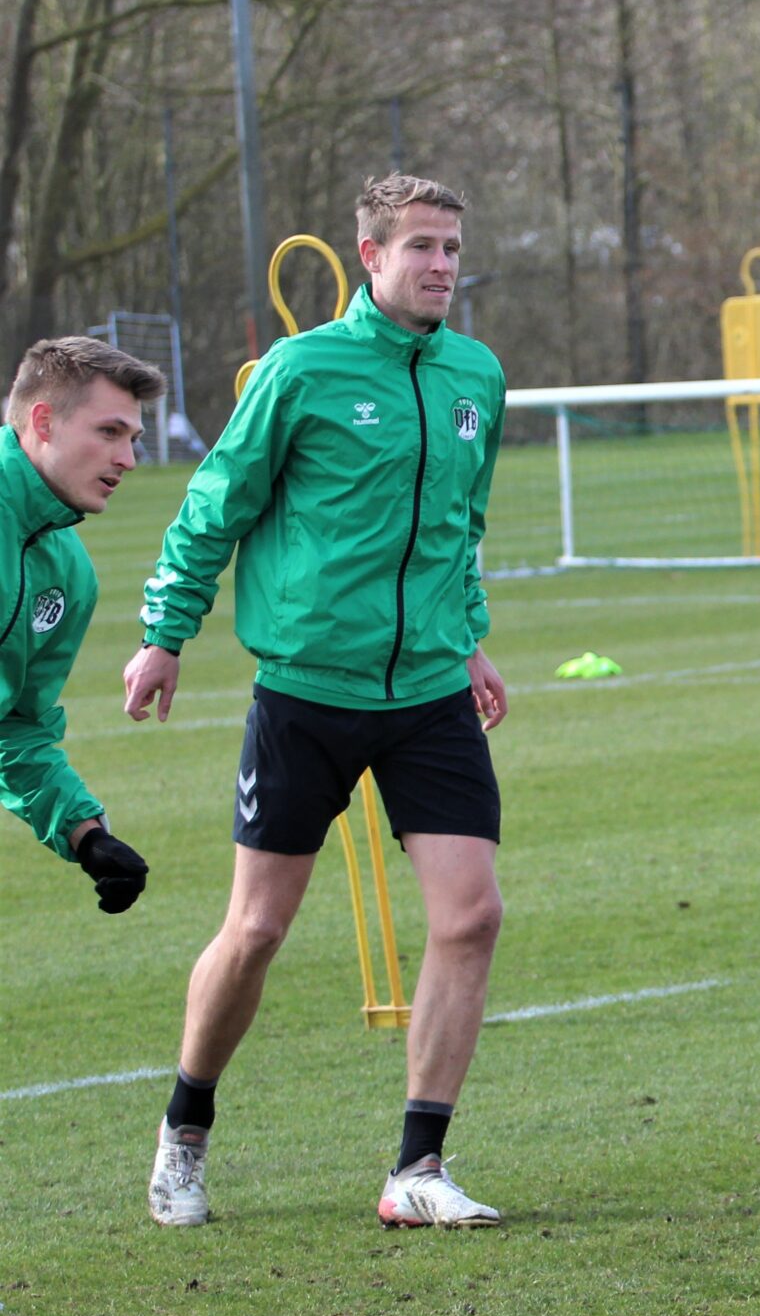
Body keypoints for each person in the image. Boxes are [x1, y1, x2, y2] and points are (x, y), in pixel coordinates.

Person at [122, 173, 511, 1230]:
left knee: (471, 915)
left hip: (429, 692)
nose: (440, 264)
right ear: (370, 256)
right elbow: (215, 508)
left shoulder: (478, 374)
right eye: (420, 246)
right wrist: (164, 635)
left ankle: (417, 1170)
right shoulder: (301, 370)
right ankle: (185, 1134)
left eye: (450, 247)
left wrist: (467, 639)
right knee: (255, 929)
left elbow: (460, 526)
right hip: (305, 693)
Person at [1, 334, 168, 1316]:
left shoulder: (62, 563)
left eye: (135, 434)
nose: (128, 453)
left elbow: (17, 729)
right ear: (40, 424)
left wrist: (82, 829)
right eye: (110, 430)